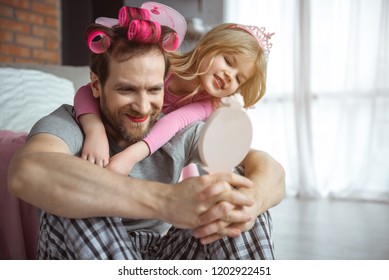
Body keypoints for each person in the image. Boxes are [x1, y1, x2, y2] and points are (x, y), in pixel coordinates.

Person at [7, 3, 285, 259]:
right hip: (87, 245)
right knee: (79, 193)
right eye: (127, 89)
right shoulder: (68, 123)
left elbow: (266, 168)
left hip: (159, 250)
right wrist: (164, 201)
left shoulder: (185, 124)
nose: (143, 107)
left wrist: (249, 204)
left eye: (155, 90)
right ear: (96, 85)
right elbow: (27, 171)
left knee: (234, 200)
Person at [74, 12, 274, 176]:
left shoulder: (209, 104)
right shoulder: (164, 63)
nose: (230, 76)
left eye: (240, 79)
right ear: (205, 47)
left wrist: (130, 158)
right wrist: (95, 132)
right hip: (127, 129)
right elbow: (86, 91)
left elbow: (173, 124)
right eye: (229, 62)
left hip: (161, 145)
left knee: (188, 164)